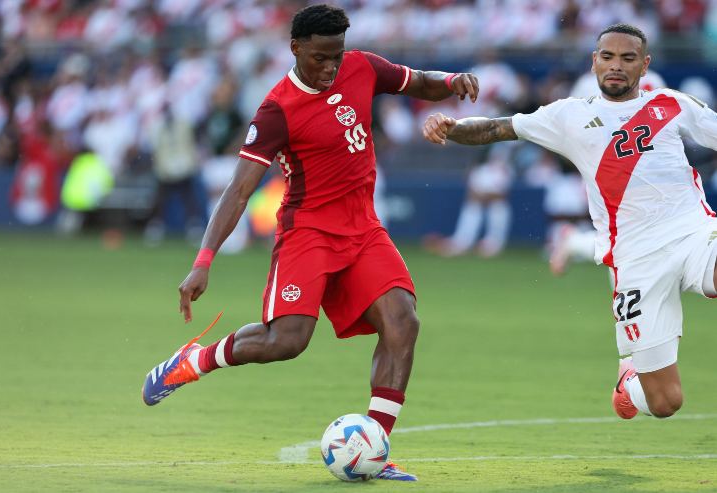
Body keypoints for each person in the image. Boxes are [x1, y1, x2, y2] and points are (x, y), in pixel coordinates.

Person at [142, 4, 479, 481]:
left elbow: (419, 82)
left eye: (336, 56)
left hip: (363, 228)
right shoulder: (276, 110)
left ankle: (374, 449)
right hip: (309, 233)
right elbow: (238, 190)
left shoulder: (361, 66)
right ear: (295, 48)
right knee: (287, 341)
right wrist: (203, 260)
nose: (330, 67)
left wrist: (452, 80)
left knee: (402, 321)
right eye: (320, 57)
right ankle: (194, 360)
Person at [423, 23, 717, 422]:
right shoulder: (569, 115)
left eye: (628, 58)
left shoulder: (671, 103)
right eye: (607, 57)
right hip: (636, 259)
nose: (616, 65)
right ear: (594, 61)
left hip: (693, 232)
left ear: (645, 65)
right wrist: (452, 128)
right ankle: (629, 382)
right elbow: (498, 127)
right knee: (665, 402)